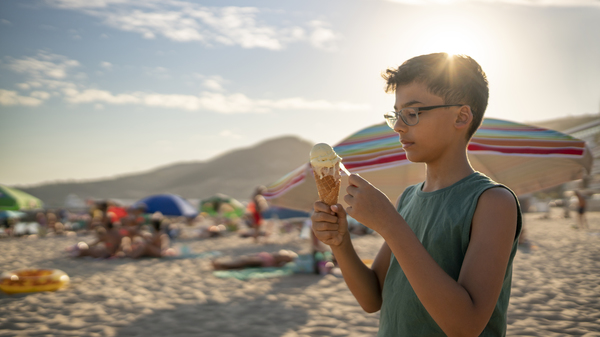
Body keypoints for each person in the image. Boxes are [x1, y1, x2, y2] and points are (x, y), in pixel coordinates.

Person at [311, 53, 522, 336]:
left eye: (412, 113)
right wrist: (340, 242)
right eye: (396, 115)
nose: (399, 126)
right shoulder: (409, 199)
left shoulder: (493, 202)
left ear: (461, 117)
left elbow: (466, 325)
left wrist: (389, 224)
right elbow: (372, 298)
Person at [211, 250, 297, 270]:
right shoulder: (285, 253)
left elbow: (279, 265)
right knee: (243, 260)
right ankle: (223, 265)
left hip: (264, 261)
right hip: (262, 257)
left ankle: (223, 265)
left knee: (244, 261)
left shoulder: (287, 259)